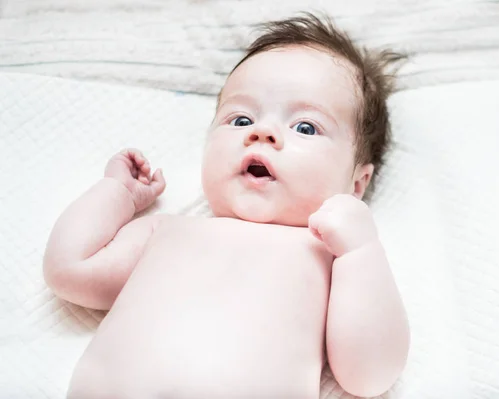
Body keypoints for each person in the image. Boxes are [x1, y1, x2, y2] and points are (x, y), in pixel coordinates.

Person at [44, 13, 410, 398]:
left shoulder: (328, 258)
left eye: (305, 127)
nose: (261, 132)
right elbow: (70, 270)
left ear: (356, 183)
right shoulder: (166, 231)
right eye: (240, 119)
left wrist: (361, 252)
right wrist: (116, 193)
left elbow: (370, 375)